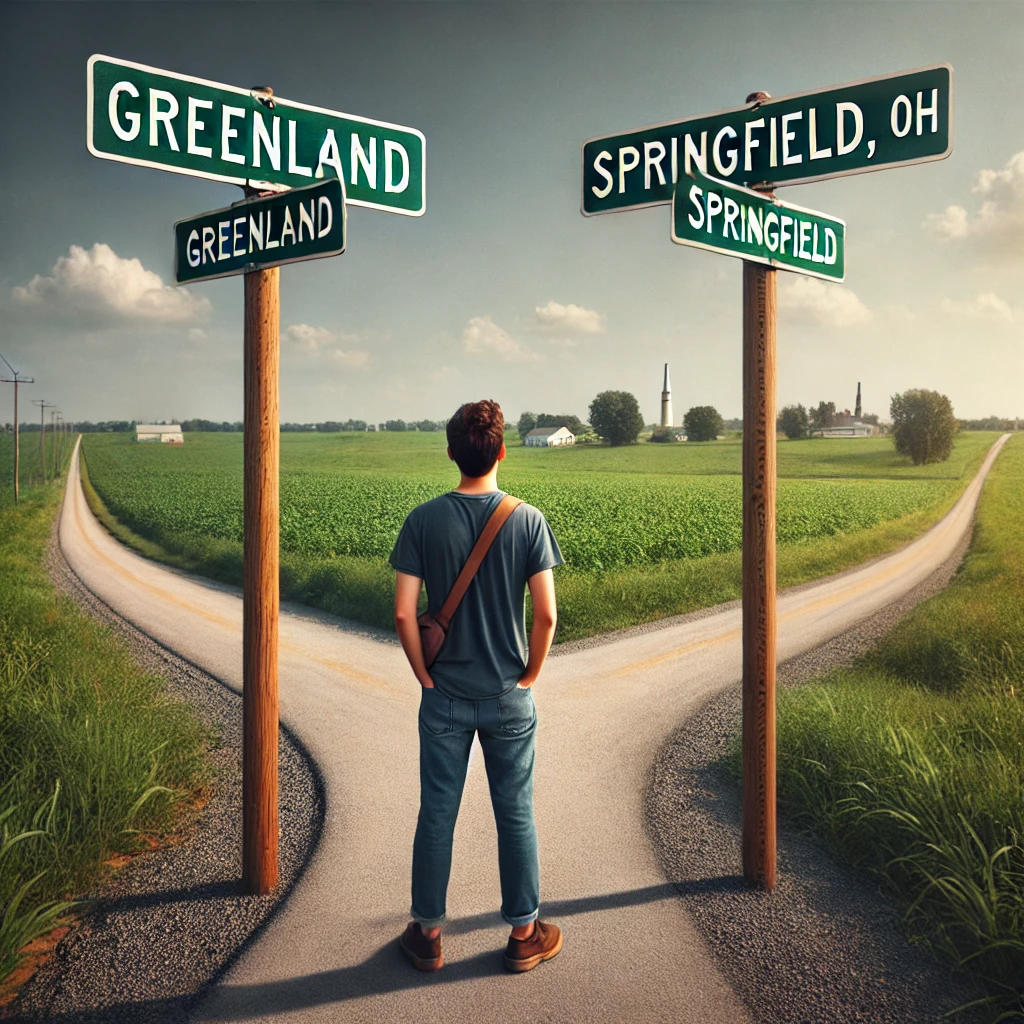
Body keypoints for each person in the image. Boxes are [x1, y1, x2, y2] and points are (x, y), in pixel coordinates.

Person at [389, 399, 564, 973]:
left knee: (437, 811)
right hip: (508, 696)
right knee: (515, 811)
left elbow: (402, 614)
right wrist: (531, 673)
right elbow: (545, 616)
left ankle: (428, 935)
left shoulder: (422, 520)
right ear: (503, 449)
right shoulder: (527, 519)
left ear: (450, 453)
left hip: (444, 696)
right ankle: (523, 934)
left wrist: (422, 674)